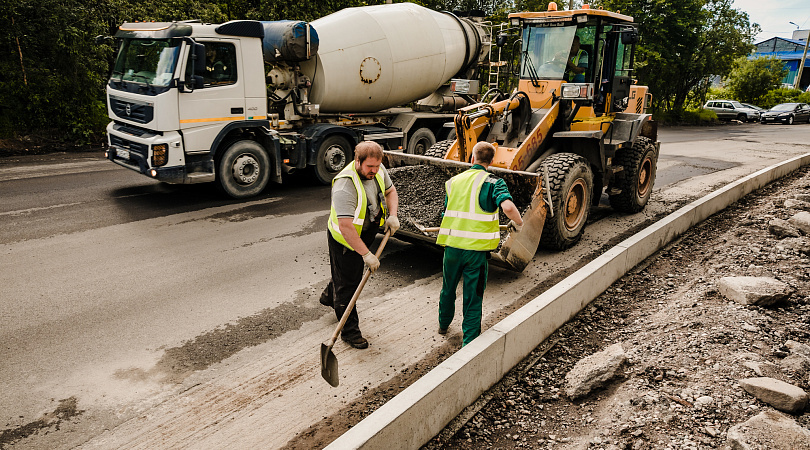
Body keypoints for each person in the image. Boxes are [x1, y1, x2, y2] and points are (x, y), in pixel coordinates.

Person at [436, 142, 524, 346]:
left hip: (452, 248)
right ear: (491, 161)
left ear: (472, 159)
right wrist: (519, 223)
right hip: (475, 252)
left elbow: (445, 212)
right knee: (473, 295)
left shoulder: (453, 182)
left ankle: (443, 324)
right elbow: (508, 207)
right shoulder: (494, 182)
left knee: (448, 288)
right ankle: (470, 343)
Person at [320, 141, 400, 349]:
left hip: (367, 230)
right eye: (369, 167)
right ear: (357, 161)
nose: (374, 171)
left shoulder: (378, 169)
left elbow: (391, 192)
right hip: (345, 239)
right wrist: (366, 254)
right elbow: (346, 227)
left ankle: (330, 295)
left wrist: (392, 215)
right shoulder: (345, 185)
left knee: (346, 275)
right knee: (349, 285)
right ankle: (349, 332)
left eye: (377, 166)